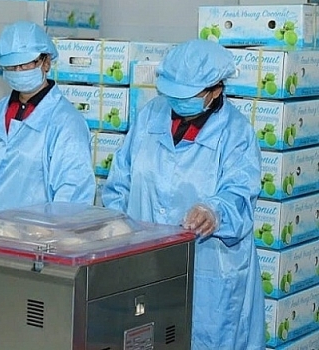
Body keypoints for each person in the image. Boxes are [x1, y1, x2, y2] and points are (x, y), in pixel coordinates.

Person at [102, 39, 264, 349]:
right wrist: (117, 228)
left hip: (210, 273)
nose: (177, 102)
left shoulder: (236, 134)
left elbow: (240, 194)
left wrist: (214, 212)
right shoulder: (151, 116)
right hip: (145, 265)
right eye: (172, 93)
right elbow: (120, 180)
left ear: (215, 90)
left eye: (187, 95)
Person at [0, 21, 95, 217]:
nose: (18, 72)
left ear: (46, 62)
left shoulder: (66, 124)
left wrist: (48, 238)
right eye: (11, 66)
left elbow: (71, 200)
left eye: (25, 64)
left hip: (34, 241)